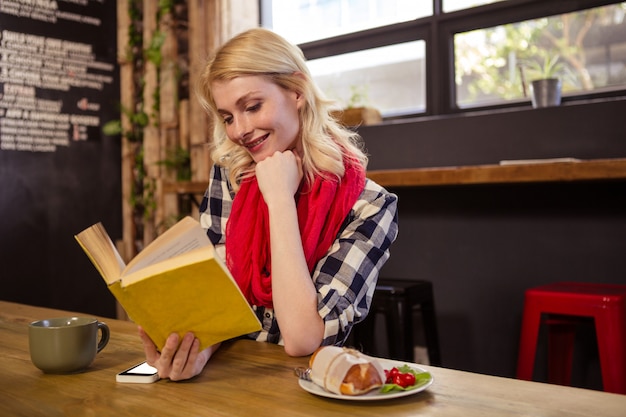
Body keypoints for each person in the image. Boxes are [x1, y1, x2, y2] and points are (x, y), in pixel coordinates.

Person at [139, 27, 398, 381]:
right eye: (228, 116)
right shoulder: (231, 179)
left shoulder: (370, 205)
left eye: (252, 106)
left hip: (308, 387)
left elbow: (303, 338)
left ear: (297, 91)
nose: (240, 130)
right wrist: (200, 350)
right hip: (233, 376)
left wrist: (279, 201)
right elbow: (220, 298)